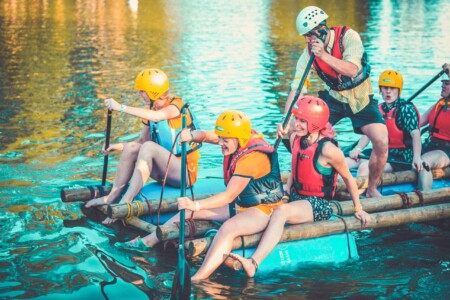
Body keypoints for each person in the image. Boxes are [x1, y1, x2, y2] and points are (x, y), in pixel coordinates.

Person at [115, 110, 285, 282]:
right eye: (220, 138)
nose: (220, 143)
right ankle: (147, 242)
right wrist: (191, 135)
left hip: (262, 210)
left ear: (239, 139)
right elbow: (209, 136)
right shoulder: (236, 139)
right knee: (188, 213)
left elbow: (228, 196)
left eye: (225, 140)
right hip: (241, 204)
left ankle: (197, 279)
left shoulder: (252, 159)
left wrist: (196, 205)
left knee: (227, 229)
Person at [230, 96, 371, 277]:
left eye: (302, 121)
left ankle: (253, 263)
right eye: (296, 118)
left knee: (281, 212)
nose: (296, 124)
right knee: (266, 204)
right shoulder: (297, 137)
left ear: (315, 123)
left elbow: (349, 179)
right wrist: (286, 193)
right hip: (296, 198)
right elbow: (295, 166)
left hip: (318, 204)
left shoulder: (329, 150)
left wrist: (358, 208)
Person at [278, 6, 388, 197]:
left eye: (309, 35)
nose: (307, 40)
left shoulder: (348, 37)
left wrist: (323, 55)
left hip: (360, 99)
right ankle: (305, 185)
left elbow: (352, 70)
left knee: (381, 141)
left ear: (321, 29)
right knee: (301, 131)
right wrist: (287, 121)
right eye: (304, 36)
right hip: (334, 100)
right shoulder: (307, 55)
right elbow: (297, 89)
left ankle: (371, 189)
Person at [85, 68, 201, 224]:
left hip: (184, 174)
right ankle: (112, 196)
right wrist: (118, 146)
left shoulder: (176, 106)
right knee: (132, 148)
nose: (139, 94)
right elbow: (140, 141)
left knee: (149, 146)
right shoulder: (151, 110)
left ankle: (126, 202)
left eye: (142, 91)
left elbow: (159, 116)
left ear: (153, 93)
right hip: (164, 170)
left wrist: (121, 107)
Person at [346, 70, 423, 178]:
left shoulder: (406, 109)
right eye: (385, 88)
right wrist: (358, 149)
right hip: (380, 151)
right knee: (345, 162)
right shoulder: (378, 108)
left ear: (399, 90)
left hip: (401, 157)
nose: (388, 92)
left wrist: (417, 157)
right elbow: (369, 133)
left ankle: (360, 193)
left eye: (392, 88)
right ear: (380, 89)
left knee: (364, 167)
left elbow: (416, 134)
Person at [418, 64, 450, 190]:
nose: (442, 85)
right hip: (431, 145)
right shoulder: (439, 104)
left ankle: (426, 198)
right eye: (442, 82)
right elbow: (418, 123)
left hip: (447, 151)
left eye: (447, 83)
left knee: (424, 162)